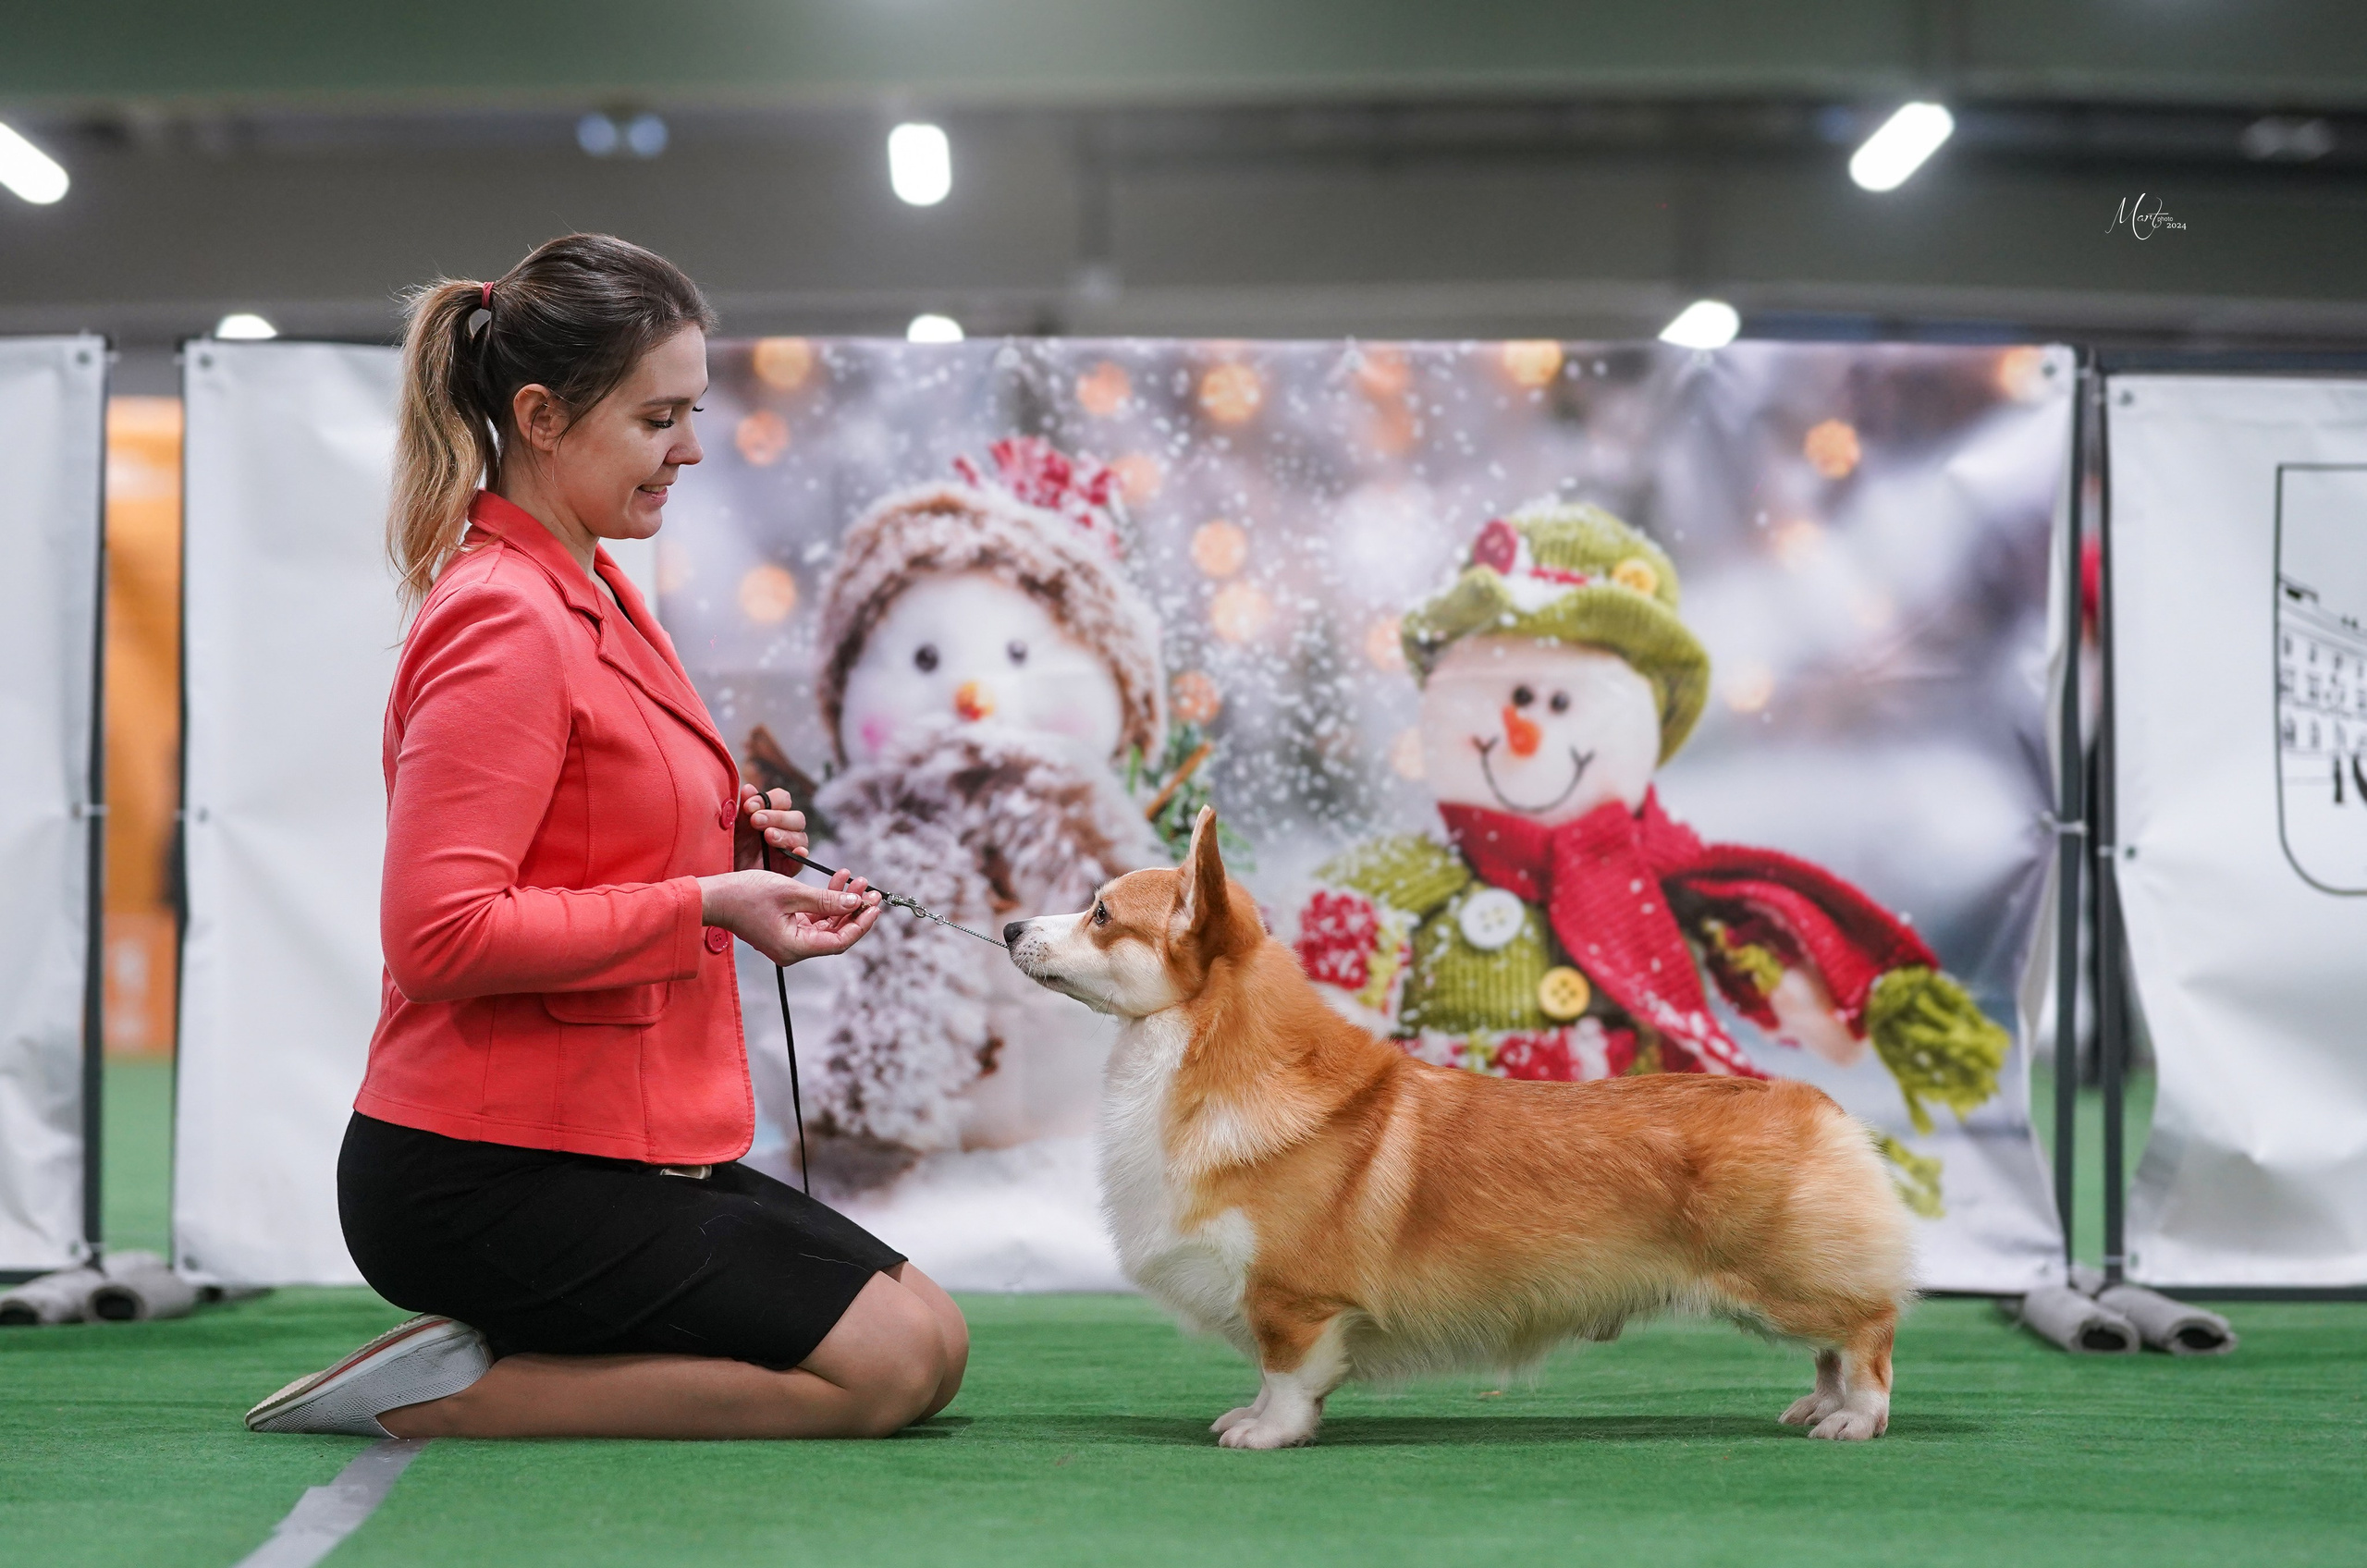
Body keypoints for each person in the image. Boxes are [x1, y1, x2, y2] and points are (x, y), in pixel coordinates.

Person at [245, 233, 966, 1440]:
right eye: (658, 419)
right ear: (540, 415)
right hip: (477, 1172)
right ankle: (445, 1397)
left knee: (934, 1343)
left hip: (600, 1143)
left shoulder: (598, 587)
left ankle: (509, 1353)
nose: (690, 447)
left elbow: (590, 846)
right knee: (883, 1375)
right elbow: (441, 935)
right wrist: (707, 907)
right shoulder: (504, 620)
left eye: (690, 413)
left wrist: (736, 860)